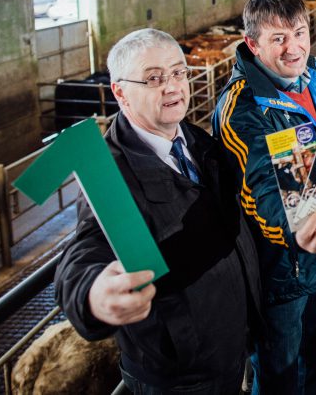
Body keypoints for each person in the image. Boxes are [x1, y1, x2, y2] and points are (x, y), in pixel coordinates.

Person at [55, 28, 262, 395]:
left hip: (231, 346)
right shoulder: (108, 175)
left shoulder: (198, 141)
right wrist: (94, 293)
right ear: (120, 92)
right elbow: (86, 250)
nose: (172, 87)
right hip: (182, 375)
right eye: (153, 78)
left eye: (179, 72)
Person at [213, 0, 316, 395]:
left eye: (299, 33)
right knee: (280, 375)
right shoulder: (242, 108)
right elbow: (258, 187)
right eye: (278, 38)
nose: (293, 48)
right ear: (252, 44)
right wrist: (298, 232)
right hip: (285, 268)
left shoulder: (315, 74)